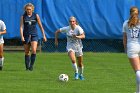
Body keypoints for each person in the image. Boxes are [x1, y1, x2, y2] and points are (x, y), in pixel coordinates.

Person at [20, 3, 47, 71]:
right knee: (26, 51)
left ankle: (31, 66)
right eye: (27, 9)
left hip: (34, 35)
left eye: (30, 9)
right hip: (26, 35)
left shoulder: (36, 16)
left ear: (32, 9)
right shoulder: (23, 16)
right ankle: (27, 67)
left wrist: (44, 35)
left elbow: (40, 26)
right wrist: (22, 36)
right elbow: (21, 27)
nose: (28, 11)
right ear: (25, 10)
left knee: (34, 50)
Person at [123, 6, 140, 93]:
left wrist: (125, 48)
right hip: (138, 46)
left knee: (138, 72)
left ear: (130, 14)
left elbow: (125, 38)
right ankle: (137, 91)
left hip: (132, 48)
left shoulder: (126, 23)